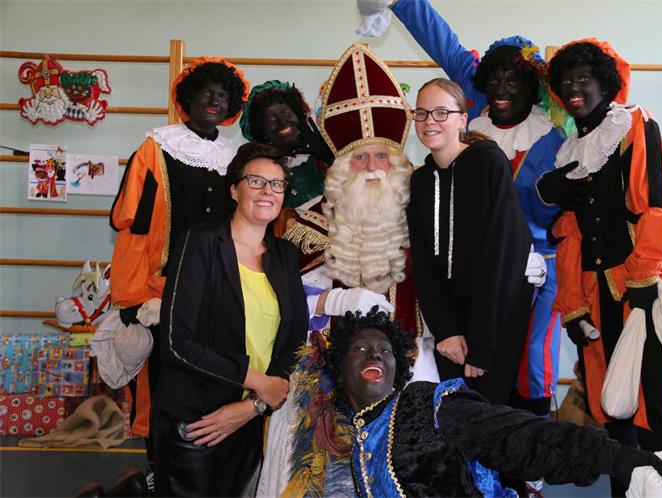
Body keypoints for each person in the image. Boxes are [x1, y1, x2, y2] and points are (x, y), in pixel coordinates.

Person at [257, 42, 438, 498]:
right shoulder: (306, 222)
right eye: (359, 157)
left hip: (413, 366)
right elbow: (276, 301)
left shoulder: (425, 215)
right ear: (341, 167)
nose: (371, 168)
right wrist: (334, 300)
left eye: (381, 156)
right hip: (328, 373)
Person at [386, 0, 569, 422]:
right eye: (495, 80)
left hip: (535, 266)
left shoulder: (551, 136)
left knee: (533, 364)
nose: (502, 90)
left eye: (514, 81)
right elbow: (444, 44)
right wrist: (401, 3)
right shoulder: (465, 127)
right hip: (469, 276)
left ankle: (532, 442)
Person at [539, 39, 662, 496]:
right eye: (567, 80)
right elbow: (570, 236)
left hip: (643, 288)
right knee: (612, 407)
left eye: (584, 77)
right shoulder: (571, 151)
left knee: (654, 404)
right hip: (594, 296)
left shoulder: (636, 126)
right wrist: (572, 305)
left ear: (607, 83)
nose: (574, 88)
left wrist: (645, 278)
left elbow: (657, 203)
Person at [320, 307, 662, 497]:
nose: (375, 356)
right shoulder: (342, 437)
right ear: (340, 366)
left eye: (385, 351)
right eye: (360, 349)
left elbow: (517, 436)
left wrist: (615, 457)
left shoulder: (426, 403)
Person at [108, 57, 249, 485]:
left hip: (219, 287)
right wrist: (132, 294)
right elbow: (134, 225)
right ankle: (158, 466)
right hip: (161, 288)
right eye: (206, 91)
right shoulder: (156, 148)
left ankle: (207, 465)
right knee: (160, 382)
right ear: (188, 98)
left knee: (213, 377)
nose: (214, 100)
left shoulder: (235, 158)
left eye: (222, 95)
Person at [152, 143, 309, 496]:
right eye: (256, 181)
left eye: (277, 184)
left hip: (249, 422)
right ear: (234, 190)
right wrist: (258, 382)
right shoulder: (200, 243)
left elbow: (294, 342)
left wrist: (253, 405)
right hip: (196, 424)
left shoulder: (285, 255)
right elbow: (176, 344)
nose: (267, 191)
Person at [407, 77, 533, 405]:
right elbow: (424, 264)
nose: (430, 121)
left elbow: (503, 254)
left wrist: (482, 343)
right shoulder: (419, 182)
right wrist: (446, 330)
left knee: (488, 414)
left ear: (462, 119)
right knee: (451, 414)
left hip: (495, 315)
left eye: (441, 113)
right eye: (422, 113)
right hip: (450, 325)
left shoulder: (488, 163)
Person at [239, 79, 334, 211]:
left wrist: (330, 158)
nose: (282, 122)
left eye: (286, 113)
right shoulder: (260, 168)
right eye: (272, 118)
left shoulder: (325, 153)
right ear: (262, 131)